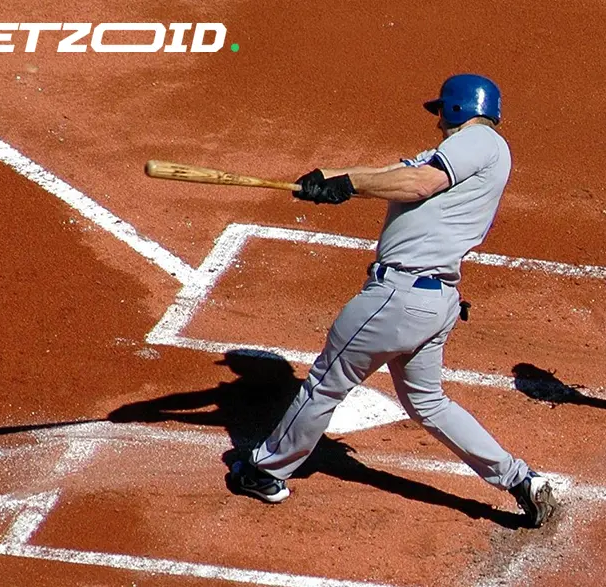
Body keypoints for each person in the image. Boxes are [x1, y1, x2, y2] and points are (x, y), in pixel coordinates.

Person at [223, 74, 555, 529]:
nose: (438, 123)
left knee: (325, 383)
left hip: (397, 297)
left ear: (458, 108)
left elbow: (417, 184)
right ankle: (520, 481)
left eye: (442, 112)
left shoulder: (479, 141)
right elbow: (398, 178)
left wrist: (348, 182)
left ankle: (266, 470)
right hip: (433, 302)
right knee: (429, 403)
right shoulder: (468, 154)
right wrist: (335, 180)